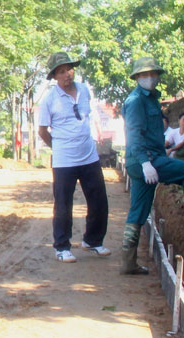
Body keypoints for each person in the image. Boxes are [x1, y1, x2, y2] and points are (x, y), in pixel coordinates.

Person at [121, 57, 184, 275]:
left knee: (139, 209)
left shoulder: (152, 99)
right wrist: (146, 163)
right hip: (146, 160)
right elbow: (134, 135)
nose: (150, 78)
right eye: (144, 75)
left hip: (147, 160)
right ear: (137, 78)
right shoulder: (135, 101)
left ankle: (128, 263)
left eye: (153, 74)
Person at [37, 51, 110, 263]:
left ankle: (93, 241)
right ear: (54, 76)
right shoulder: (50, 100)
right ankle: (62, 246)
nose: (67, 74)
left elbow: (88, 117)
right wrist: (58, 147)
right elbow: (42, 131)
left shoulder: (85, 90)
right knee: (63, 205)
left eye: (69, 69)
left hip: (89, 156)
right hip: (64, 161)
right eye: (61, 71)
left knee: (99, 201)